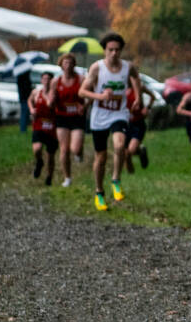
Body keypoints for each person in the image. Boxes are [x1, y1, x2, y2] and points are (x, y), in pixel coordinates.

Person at [80, 32, 143, 212]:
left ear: (121, 51)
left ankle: (116, 179)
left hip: (118, 113)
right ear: (105, 51)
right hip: (100, 115)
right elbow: (82, 92)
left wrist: (138, 97)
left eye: (117, 50)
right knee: (101, 157)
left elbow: (136, 78)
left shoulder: (127, 67)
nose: (114, 53)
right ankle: (99, 192)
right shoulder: (97, 68)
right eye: (110, 50)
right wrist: (99, 96)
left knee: (120, 144)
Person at [52, 53, 87, 187]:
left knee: (75, 149)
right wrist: (52, 100)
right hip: (62, 117)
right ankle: (67, 177)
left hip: (77, 118)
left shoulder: (81, 79)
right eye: (65, 63)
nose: (68, 65)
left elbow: (88, 96)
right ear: (61, 65)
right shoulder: (56, 81)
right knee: (64, 149)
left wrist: (84, 106)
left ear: (74, 64)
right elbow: (51, 99)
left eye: (70, 63)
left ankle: (79, 151)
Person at [28, 71, 58, 185]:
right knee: (37, 148)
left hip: (52, 128)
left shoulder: (55, 94)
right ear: (41, 80)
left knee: (51, 156)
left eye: (48, 79)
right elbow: (29, 100)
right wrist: (32, 109)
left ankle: (49, 177)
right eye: (44, 79)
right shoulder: (36, 92)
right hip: (39, 125)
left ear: (52, 81)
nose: (46, 81)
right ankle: (39, 161)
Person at [123, 78, 156, 174]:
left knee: (131, 150)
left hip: (138, 123)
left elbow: (152, 96)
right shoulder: (120, 89)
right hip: (125, 124)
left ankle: (139, 150)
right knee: (126, 154)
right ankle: (131, 177)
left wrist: (147, 108)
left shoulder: (139, 87)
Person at [14, 58, 34, 133]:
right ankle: (23, 130)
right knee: (24, 114)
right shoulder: (23, 77)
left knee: (25, 114)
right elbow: (25, 88)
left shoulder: (20, 76)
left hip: (23, 97)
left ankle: (23, 129)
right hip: (25, 98)